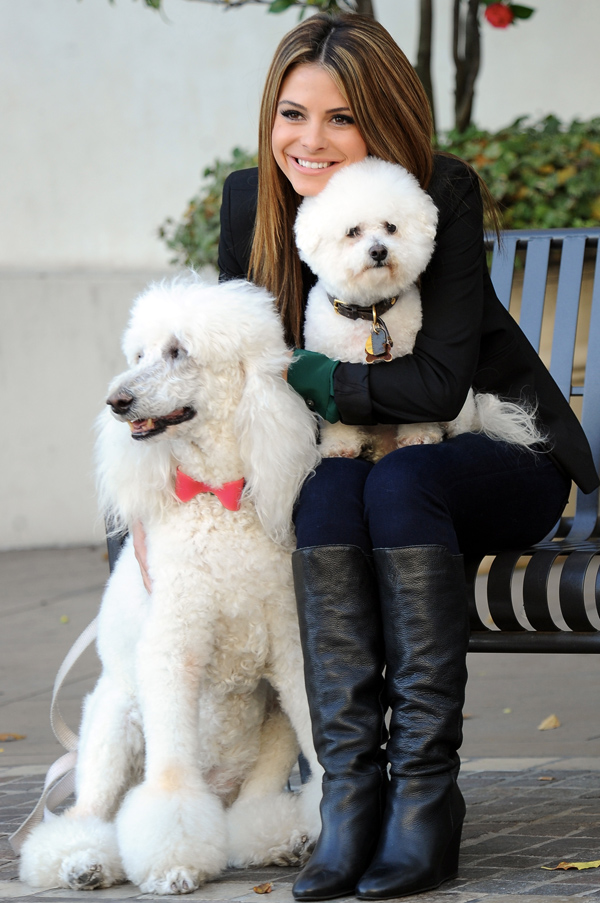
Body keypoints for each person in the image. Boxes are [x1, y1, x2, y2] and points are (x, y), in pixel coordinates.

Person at [217, 11, 596, 903]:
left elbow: (435, 388)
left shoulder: (439, 194)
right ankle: (353, 793)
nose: (311, 141)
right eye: (293, 113)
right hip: (362, 471)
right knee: (330, 495)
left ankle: (426, 796)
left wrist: (310, 373)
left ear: (382, 121)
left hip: (493, 450)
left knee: (406, 476)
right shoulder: (253, 204)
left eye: (341, 118)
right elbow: (239, 376)